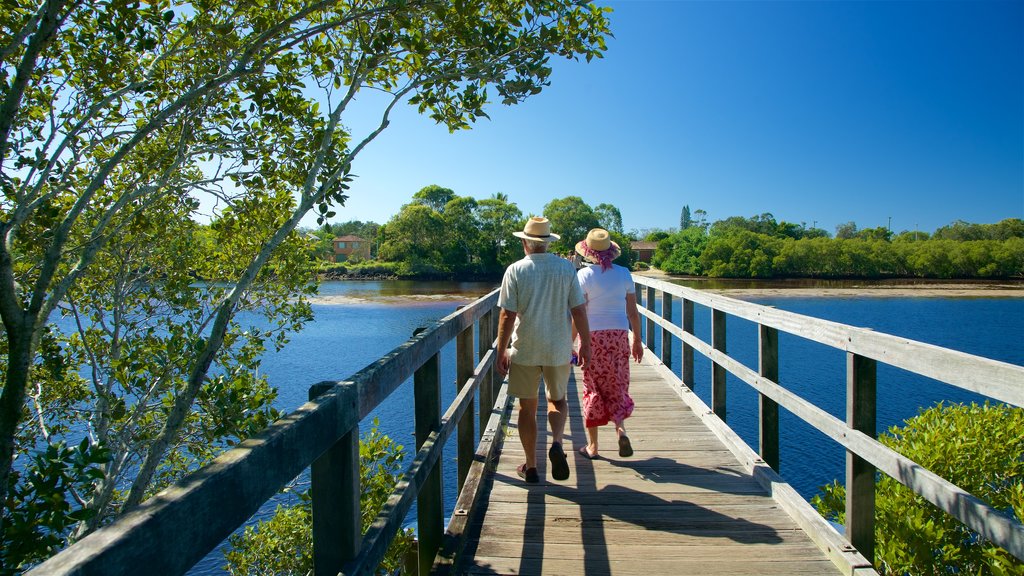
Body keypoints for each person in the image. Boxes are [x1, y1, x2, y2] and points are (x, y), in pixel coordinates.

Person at [496, 216, 592, 483]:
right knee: (558, 400)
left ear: (526, 242)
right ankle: (558, 443)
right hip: (558, 348)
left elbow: (507, 316)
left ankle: (531, 467)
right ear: (548, 242)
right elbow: (579, 310)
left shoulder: (515, 270)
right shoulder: (565, 269)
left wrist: (500, 351)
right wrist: (585, 343)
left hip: (525, 348)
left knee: (527, 408)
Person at [573, 228, 643, 459]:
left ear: (588, 252)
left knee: (593, 387)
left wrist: (571, 343)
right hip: (619, 335)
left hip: (593, 337)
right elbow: (633, 312)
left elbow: (579, 314)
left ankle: (593, 447)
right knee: (617, 384)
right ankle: (621, 432)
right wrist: (638, 341)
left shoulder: (583, 276)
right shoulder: (624, 274)